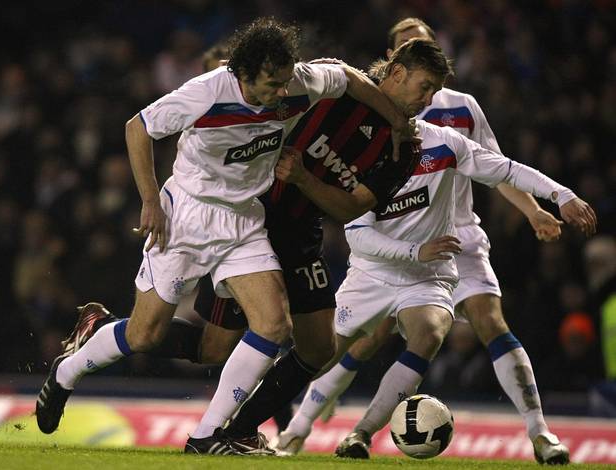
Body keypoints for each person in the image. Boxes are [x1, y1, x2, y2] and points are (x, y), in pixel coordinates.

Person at [35, 17, 415, 456]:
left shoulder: (298, 83)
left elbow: (348, 78)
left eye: (284, 83)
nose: (280, 94)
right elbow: (137, 127)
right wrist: (149, 202)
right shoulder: (208, 91)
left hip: (243, 221)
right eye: (271, 85)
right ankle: (69, 369)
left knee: (273, 325)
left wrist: (397, 121)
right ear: (244, 73)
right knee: (144, 336)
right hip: (188, 217)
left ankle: (206, 437)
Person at [272, 17, 596, 465]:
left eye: (427, 55)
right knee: (336, 348)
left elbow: (499, 166)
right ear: (393, 67)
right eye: (410, 54)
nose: (425, 95)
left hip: (450, 241)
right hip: (382, 259)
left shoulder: (454, 122)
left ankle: (536, 433)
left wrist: (550, 200)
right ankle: (284, 425)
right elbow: (356, 224)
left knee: (455, 327)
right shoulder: (365, 130)